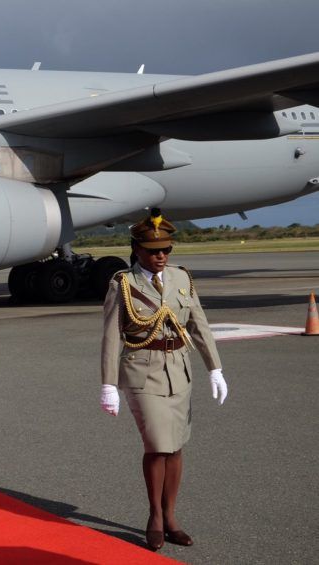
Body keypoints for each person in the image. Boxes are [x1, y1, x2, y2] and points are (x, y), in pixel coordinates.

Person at [100, 209, 228, 551]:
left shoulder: (181, 278)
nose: (161, 256)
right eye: (153, 250)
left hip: (179, 370)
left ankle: (172, 516)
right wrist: (108, 384)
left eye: (166, 250)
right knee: (158, 445)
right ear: (137, 250)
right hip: (143, 371)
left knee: (176, 446)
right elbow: (112, 336)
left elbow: (198, 324)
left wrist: (214, 368)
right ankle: (155, 515)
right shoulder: (123, 284)